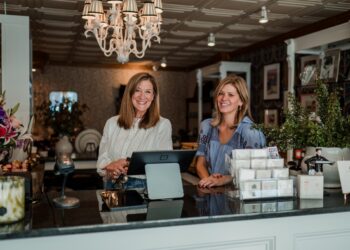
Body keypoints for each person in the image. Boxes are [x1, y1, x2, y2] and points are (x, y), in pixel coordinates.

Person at [97, 72, 173, 189]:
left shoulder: (163, 125)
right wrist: (110, 167)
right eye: (137, 90)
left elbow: (163, 164)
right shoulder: (111, 123)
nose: (142, 96)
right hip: (111, 185)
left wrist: (128, 164)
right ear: (130, 93)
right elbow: (102, 161)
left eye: (148, 91)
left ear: (153, 97)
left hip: (141, 188)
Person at [196, 75, 266, 188]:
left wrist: (225, 179)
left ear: (241, 101)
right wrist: (209, 182)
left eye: (231, 95)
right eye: (221, 93)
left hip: (239, 198)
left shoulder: (251, 132)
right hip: (212, 194)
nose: (224, 98)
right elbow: (200, 164)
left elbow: (257, 171)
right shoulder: (206, 126)